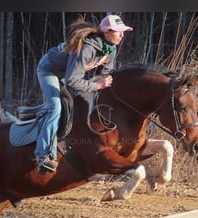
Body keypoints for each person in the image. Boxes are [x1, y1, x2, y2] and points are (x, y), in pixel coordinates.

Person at [35, 14, 133, 175]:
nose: (122, 35)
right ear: (106, 32)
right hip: (50, 71)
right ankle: (43, 156)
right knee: (56, 108)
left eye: (123, 31)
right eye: (119, 31)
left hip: (69, 75)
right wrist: (96, 85)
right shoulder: (87, 48)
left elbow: (105, 77)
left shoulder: (111, 49)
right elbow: (72, 81)